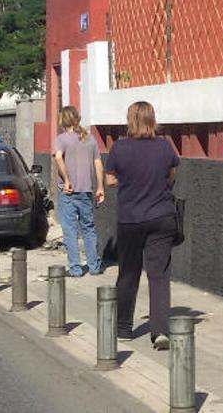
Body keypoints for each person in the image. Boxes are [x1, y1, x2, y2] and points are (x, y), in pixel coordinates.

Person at [105, 101, 179, 351]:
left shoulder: (119, 148)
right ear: (152, 120)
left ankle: (123, 328)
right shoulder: (164, 147)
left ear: (130, 121)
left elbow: (110, 179)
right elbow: (171, 176)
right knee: (159, 276)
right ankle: (160, 332)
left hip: (130, 219)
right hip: (161, 217)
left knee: (128, 273)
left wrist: (127, 182)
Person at [52, 105, 105, 277]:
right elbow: (98, 163)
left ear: (62, 120)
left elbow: (58, 156)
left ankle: (75, 268)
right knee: (88, 228)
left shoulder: (61, 139)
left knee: (70, 229)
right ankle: (94, 266)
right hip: (86, 190)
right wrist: (100, 187)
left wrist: (66, 179)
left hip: (68, 191)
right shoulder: (89, 139)